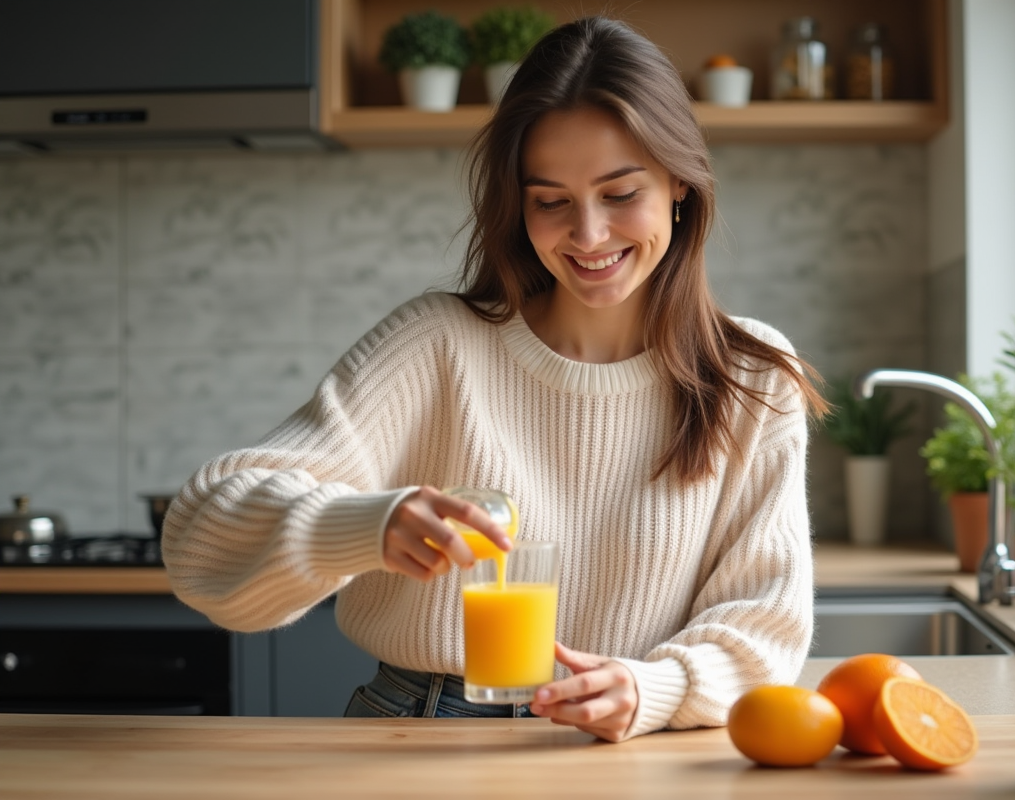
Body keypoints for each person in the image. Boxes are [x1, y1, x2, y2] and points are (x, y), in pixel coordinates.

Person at [162, 15, 828, 743]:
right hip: (423, 729)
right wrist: (364, 527)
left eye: (619, 193)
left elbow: (767, 623)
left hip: (637, 743)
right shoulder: (439, 345)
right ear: (519, 205)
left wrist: (653, 687)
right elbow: (201, 540)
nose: (589, 234)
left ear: (678, 183)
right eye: (551, 201)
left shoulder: (750, 377)